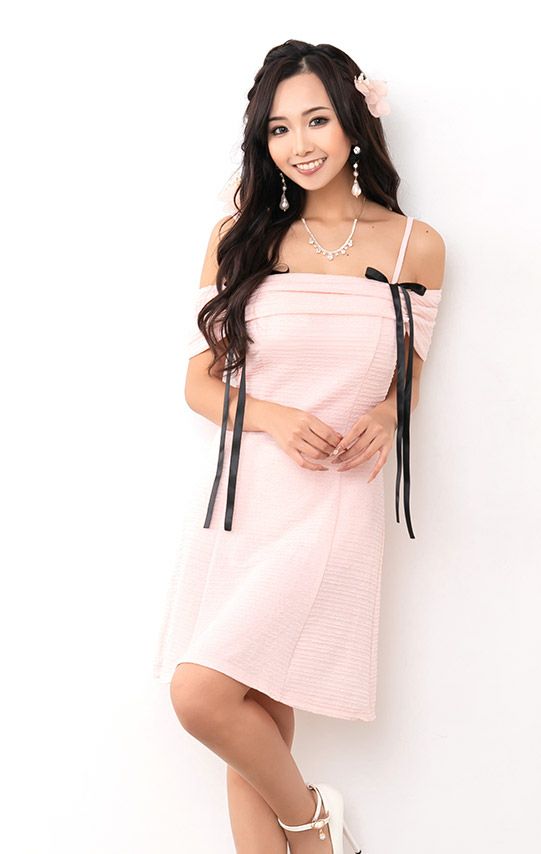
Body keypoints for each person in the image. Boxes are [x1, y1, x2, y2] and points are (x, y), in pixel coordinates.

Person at [153, 39, 445, 854]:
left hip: (335, 502)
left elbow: (410, 378)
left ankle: (315, 827)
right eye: (280, 129)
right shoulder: (239, 237)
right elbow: (198, 383)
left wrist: (387, 415)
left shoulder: (414, 246)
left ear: (354, 120)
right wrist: (275, 417)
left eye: (317, 119)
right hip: (247, 500)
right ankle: (311, 834)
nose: (300, 144)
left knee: (203, 695)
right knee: (249, 711)